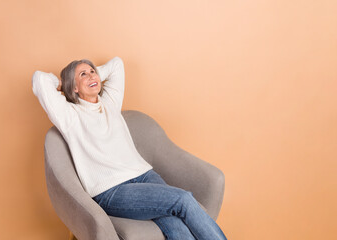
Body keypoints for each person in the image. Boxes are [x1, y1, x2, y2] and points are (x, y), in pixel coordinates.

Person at [32, 56, 227, 240]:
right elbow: (39, 80)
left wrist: (90, 75)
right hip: (112, 191)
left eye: (93, 71)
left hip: (145, 175)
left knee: (174, 221)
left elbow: (117, 64)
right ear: (73, 87)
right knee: (183, 200)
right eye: (83, 74)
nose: (92, 76)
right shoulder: (69, 116)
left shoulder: (110, 104)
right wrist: (62, 82)